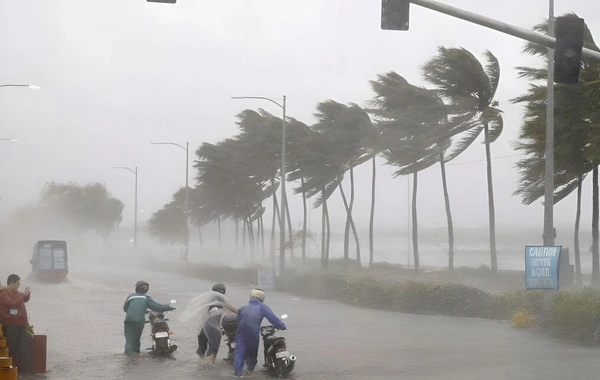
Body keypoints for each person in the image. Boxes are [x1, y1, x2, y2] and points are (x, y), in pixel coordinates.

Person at [233, 288, 286, 377]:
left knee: (239, 354)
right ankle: (249, 372)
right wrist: (283, 326)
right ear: (262, 298)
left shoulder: (242, 309)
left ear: (251, 297)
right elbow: (273, 319)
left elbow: (238, 321)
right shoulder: (262, 307)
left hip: (240, 333)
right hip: (252, 333)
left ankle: (237, 375)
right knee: (252, 354)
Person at [123, 280, 174, 356]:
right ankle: (135, 356)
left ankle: (128, 357)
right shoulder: (146, 298)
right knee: (136, 339)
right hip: (139, 321)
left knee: (129, 340)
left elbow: (125, 308)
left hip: (128, 320)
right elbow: (157, 307)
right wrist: (169, 307)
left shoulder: (131, 296)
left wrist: (138, 311)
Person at [190, 283, 237, 361]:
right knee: (213, 349)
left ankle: (200, 368)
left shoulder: (208, 301)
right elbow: (233, 310)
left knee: (202, 348)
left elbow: (201, 314)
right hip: (214, 328)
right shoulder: (222, 301)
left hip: (203, 327)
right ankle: (210, 369)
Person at [0, 274, 31, 373]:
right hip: (11, 323)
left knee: (25, 347)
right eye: (17, 283)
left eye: (19, 283)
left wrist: (27, 294)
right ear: (11, 283)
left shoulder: (18, 293)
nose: (18, 285)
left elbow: (24, 299)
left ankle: (24, 371)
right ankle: (14, 371)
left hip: (22, 323)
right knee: (13, 348)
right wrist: (22, 296)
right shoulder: (4, 293)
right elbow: (12, 303)